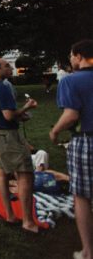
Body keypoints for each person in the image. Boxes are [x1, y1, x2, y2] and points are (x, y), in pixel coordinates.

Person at [0, 57, 38, 233]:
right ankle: (28, 222)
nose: (11, 68)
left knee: (1, 173)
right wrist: (27, 107)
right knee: (25, 174)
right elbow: (8, 115)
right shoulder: (1, 87)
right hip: (6, 135)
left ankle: (10, 215)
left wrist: (19, 115)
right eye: (7, 66)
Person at [50, 39, 93, 259]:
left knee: (82, 196)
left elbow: (72, 115)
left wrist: (55, 131)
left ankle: (87, 251)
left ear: (78, 56)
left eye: (70, 55)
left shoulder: (70, 81)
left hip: (85, 140)